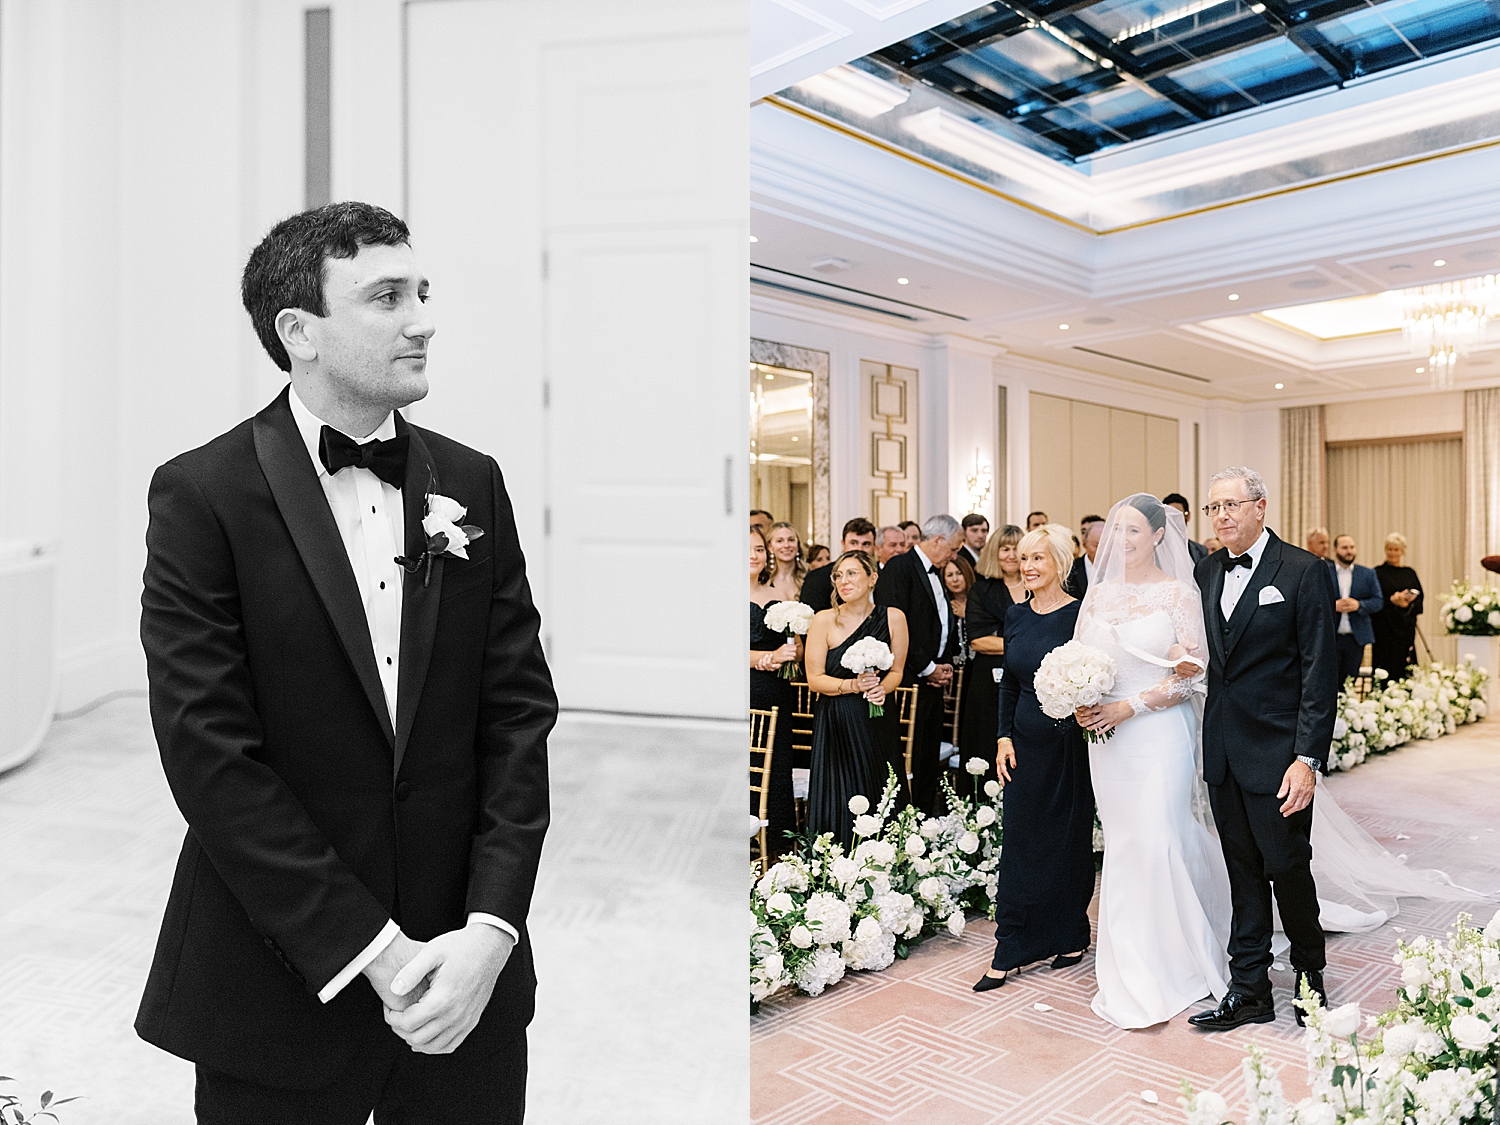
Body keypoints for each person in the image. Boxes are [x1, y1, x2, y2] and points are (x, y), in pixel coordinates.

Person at [135, 202, 554, 1123]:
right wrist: (373, 948)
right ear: (301, 333)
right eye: (387, 296)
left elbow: (518, 714)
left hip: (463, 975)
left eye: (424, 291)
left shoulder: (469, 480)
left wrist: (490, 929)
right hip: (279, 975)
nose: (423, 318)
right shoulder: (202, 495)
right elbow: (209, 753)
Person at [1072, 495, 1230, 1027]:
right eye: (1117, 531)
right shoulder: (1098, 595)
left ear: (1160, 535)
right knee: (1124, 844)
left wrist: (1129, 705)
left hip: (1158, 732)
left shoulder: (1178, 593)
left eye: (1135, 531)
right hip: (1108, 742)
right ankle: (1131, 959)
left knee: (1159, 835)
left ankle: (1180, 961)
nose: (1123, 540)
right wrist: (1078, 698)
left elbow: (1193, 673)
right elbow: (1081, 661)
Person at [1188, 466, 1335, 1031]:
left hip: (1279, 754)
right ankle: (1248, 988)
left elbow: (1319, 674)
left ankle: (1309, 976)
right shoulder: (1205, 572)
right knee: (1241, 872)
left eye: (1231, 505)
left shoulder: (1301, 571)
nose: (1222, 516)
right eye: (1213, 508)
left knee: (1288, 867)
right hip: (1223, 749)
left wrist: (1308, 759)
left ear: (1260, 507)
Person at [974, 524, 1094, 991]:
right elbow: (1009, 681)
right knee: (1022, 843)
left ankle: (1069, 934)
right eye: (1023, 558)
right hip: (1024, 746)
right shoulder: (1015, 615)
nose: (1027, 566)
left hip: (1069, 747)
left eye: (1037, 558)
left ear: (1060, 565)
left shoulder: (1080, 617)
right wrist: (1003, 737)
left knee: (1068, 841)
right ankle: (1012, 945)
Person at [804, 551, 909, 850]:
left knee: (881, 786)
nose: (843, 581)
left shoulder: (893, 617)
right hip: (836, 719)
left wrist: (883, 689)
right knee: (840, 792)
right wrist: (852, 685)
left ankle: (890, 859)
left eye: (851, 573)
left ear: (872, 578)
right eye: (838, 575)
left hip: (877, 718)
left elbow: (898, 670)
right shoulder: (824, 620)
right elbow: (814, 678)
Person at [874, 515, 962, 814]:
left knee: (928, 755)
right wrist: (927, 667)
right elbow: (896, 625)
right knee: (909, 754)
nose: (954, 555)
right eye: (952, 548)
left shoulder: (936, 573)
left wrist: (945, 664)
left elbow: (939, 622)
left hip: (932, 679)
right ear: (938, 540)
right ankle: (907, 819)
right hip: (908, 679)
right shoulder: (901, 567)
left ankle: (925, 817)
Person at [961, 526, 1025, 789]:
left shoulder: (1038, 585)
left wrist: (1002, 639)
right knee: (986, 742)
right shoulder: (982, 590)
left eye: (1017, 549)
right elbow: (978, 640)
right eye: (1005, 549)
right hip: (988, 685)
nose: (1011, 555)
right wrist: (1027, 643)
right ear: (994, 553)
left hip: (1031, 682)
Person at [750, 526, 799, 861]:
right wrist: (766, 659)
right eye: (747, 549)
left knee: (778, 760)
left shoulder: (777, 592)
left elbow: (789, 646)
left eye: (758, 549)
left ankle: (778, 842)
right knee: (750, 760)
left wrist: (788, 656)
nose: (754, 555)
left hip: (778, 689)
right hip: (746, 689)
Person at [1329, 535, 1383, 687]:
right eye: (1345, 548)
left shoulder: (1367, 573)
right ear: (1335, 550)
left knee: (1350, 683)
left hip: (1355, 638)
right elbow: (1312, 601)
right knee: (1330, 683)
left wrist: (1358, 605)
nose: (1349, 551)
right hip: (1330, 637)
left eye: (1352, 547)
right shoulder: (1324, 571)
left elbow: (1378, 602)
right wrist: (1332, 606)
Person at [1372, 533, 1424, 679]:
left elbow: (1420, 601)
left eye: (1396, 549)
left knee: (1405, 665)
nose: (1393, 553)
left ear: (1402, 551)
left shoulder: (1409, 573)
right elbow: (1374, 600)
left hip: (1405, 629)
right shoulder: (1377, 572)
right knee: (1383, 664)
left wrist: (1406, 602)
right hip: (1383, 629)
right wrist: (1392, 601)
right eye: (1390, 549)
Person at [801, 518, 876, 613]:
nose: (859, 549)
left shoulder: (885, 577)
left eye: (866, 544)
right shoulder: (817, 579)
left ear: (874, 547)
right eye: (853, 543)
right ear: (843, 545)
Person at [766, 520, 807, 601]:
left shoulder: (810, 579)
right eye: (779, 541)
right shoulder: (764, 581)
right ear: (770, 547)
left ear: (797, 545)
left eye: (791, 540)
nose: (786, 545)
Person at [1164, 493, 1208, 563]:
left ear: (1187, 516)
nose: (1173, 520)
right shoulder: (1155, 549)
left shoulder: (1200, 551)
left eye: (1178, 515)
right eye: (1170, 515)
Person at [1067, 517, 1104, 600]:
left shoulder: (1120, 569)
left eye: (1107, 546)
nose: (1103, 551)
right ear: (1085, 545)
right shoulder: (1070, 569)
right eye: (1096, 546)